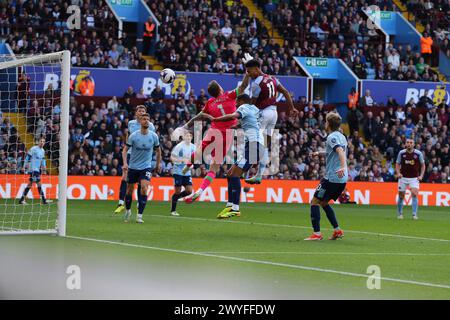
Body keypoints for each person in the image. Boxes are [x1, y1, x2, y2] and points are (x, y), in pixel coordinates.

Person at [181, 77, 250, 203]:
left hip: (213, 131)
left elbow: (200, 116)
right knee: (213, 168)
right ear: (219, 88)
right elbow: (244, 85)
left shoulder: (210, 102)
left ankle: (187, 166)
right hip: (226, 134)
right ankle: (200, 191)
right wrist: (248, 72)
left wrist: (186, 126)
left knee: (199, 151)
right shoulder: (229, 95)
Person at [206, 94, 265, 219]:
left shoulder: (243, 107)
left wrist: (216, 119)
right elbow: (251, 123)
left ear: (242, 101)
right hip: (254, 146)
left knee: (236, 175)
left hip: (254, 146)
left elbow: (233, 116)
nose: (236, 104)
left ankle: (235, 208)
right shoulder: (254, 109)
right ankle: (230, 204)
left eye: (237, 102)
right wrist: (235, 127)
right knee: (230, 173)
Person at [242, 54, 297, 185]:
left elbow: (252, 105)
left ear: (256, 69)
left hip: (263, 113)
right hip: (274, 113)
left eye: (249, 72)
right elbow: (285, 92)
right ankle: (259, 175)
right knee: (264, 145)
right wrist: (292, 108)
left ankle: (245, 170)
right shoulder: (272, 78)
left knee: (253, 141)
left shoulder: (256, 84)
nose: (248, 74)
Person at [305, 113, 347, 241]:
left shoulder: (331, 137)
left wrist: (343, 166)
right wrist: (319, 153)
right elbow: (334, 152)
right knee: (323, 203)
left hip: (332, 178)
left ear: (328, 123)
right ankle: (337, 230)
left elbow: (339, 151)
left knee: (314, 202)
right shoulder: (342, 136)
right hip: (341, 180)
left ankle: (317, 234)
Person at [114, 105, 156, 214]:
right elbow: (128, 136)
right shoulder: (131, 123)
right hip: (130, 154)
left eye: (143, 111)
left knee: (140, 182)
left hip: (142, 156)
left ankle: (138, 204)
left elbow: (152, 139)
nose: (141, 112)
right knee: (124, 178)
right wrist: (127, 148)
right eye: (140, 111)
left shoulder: (150, 125)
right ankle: (120, 203)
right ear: (136, 112)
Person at [122, 113, 161, 223]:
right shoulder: (134, 136)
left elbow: (158, 150)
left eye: (148, 119)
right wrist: (125, 163)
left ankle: (139, 216)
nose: (146, 121)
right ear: (140, 121)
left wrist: (158, 164)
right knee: (129, 190)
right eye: (144, 119)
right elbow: (125, 150)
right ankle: (128, 210)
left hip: (146, 167)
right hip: (133, 167)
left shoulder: (153, 136)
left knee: (144, 189)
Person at [395, 138, 426, 220]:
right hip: (403, 177)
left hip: (414, 178)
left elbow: (423, 165)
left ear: (414, 144)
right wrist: (398, 173)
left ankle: (414, 214)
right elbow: (397, 164)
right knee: (401, 196)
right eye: (408, 142)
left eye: (411, 142)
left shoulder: (418, 153)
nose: (409, 144)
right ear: (405, 144)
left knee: (415, 194)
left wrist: (421, 175)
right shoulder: (401, 153)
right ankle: (400, 214)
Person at [18, 137, 51, 205]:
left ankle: (21, 200)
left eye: (43, 141)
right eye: (41, 141)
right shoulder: (33, 148)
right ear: (38, 142)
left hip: (37, 169)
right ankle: (44, 200)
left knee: (30, 184)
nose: (42, 142)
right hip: (33, 169)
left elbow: (43, 160)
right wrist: (24, 166)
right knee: (39, 183)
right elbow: (27, 157)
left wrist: (44, 167)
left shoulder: (42, 150)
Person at [170, 132, 195, 216]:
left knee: (189, 190)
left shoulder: (193, 147)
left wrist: (192, 165)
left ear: (191, 137)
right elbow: (172, 158)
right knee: (178, 191)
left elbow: (194, 158)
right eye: (187, 135)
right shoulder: (179, 146)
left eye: (190, 136)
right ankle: (173, 210)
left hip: (187, 172)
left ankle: (175, 198)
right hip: (178, 171)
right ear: (184, 137)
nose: (188, 137)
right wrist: (181, 161)